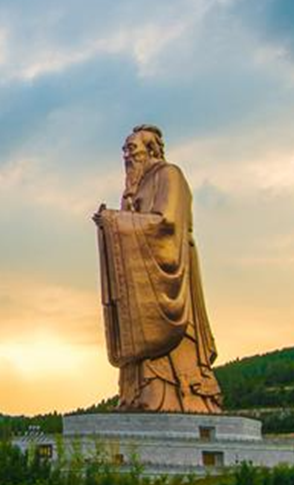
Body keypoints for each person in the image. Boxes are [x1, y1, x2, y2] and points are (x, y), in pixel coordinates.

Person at [94, 124, 222, 413]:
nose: (127, 156)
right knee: (139, 331)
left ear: (150, 149)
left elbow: (167, 223)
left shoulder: (169, 175)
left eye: (132, 148)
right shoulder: (132, 190)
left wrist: (116, 222)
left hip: (171, 266)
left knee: (175, 339)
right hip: (141, 281)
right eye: (124, 150)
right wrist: (113, 222)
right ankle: (138, 393)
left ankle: (181, 393)